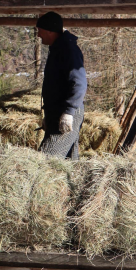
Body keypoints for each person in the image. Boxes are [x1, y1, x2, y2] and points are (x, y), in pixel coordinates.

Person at [36, 11, 87, 160]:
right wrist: (49, 116)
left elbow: (79, 83)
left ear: (49, 31)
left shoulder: (68, 50)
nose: (38, 35)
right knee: (68, 161)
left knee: (45, 161)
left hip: (66, 113)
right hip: (58, 113)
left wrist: (69, 113)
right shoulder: (58, 48)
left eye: (40, 31)